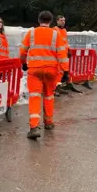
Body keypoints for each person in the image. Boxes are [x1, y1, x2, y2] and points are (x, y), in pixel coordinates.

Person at [19, 11, 70, 139]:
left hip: (35, 70)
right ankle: (48, 122)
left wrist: (23, 63)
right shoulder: (55, 34)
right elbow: (62, 54)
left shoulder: (31, 33)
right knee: (48, 96)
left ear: (38, 20)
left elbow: (23, 51)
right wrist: (66, 71)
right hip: (51, 71)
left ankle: (34, 127)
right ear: (51, 21)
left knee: (35, 97)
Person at [53, 15, 70, 96]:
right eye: (61, 20)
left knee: (61, 73)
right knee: (56, 73)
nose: (63, 21)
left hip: (64, 55)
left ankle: (58, 88)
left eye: (64, 20)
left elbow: (65, 42)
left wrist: (69, 50)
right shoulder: (54, 30)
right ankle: (54, 89)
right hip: (57, 55)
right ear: (57, 21)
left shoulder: (64, 30)